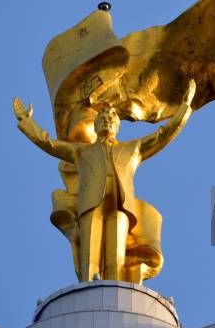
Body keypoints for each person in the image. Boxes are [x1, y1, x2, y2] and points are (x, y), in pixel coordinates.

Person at [13, 80, 196, 281]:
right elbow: (49, 143)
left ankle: (116, 293)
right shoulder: (81, 151)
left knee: (116, 258)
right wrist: (26, 122)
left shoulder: (132, 148)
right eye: (102, 118)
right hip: (91, 203)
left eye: (111, 118)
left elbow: (164, 134)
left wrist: (185, 107)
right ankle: (89, 293)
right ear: (96, 124)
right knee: (90, 256)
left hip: (120, 205)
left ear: (117, 126)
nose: (107, 120)